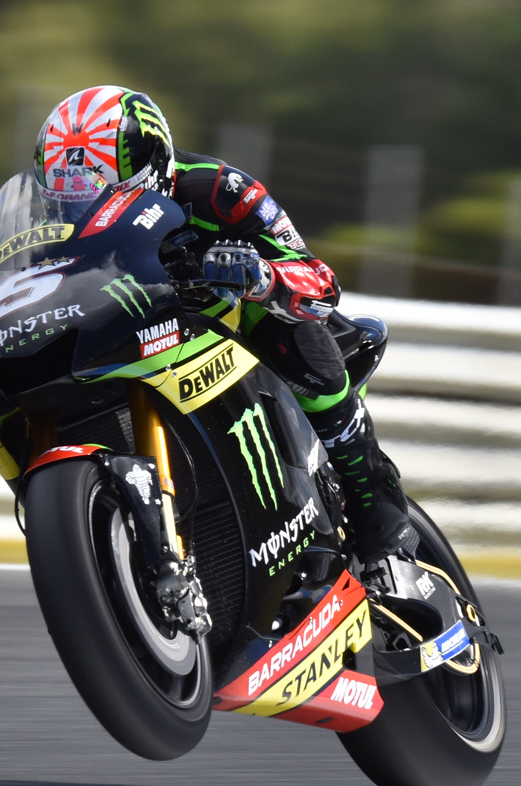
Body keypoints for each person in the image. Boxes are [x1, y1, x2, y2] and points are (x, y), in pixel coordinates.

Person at [35, 85, 418, 566]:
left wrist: (260, 277)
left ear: (150, 163)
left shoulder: (218, 189)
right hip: (140, 336)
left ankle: (384, 525)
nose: (82, 207)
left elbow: (318, 279)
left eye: (97, 190)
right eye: (69, 195)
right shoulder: (51, 227)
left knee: (295, 340)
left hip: (241, 322)